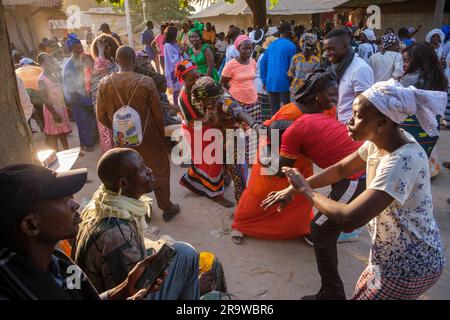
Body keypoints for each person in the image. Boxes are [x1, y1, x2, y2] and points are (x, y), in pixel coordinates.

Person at [269, 79, 446, 300]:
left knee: (323, 231)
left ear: (382, 121)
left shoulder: (400, 161)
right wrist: (293, 190)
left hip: (408, 266)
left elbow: (350, 219)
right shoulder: (379, 141)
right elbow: (341, 168)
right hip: (391, 258)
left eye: (358, 116)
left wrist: (305, 190)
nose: (349, 122)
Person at [261, 71, 365, 299]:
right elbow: (333, 170)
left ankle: (332, 293)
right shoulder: (312, 118)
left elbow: (280, 171)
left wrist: (267, 154)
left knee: (321, 229)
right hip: (353, 170)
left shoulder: (290, 134)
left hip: (355, 177)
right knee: (324, 225)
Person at [0, 164, 165, 300]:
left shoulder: (59, 262)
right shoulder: (13, 291)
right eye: (64, 200)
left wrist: (126, 289)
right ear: (30, 225)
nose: (75, 205)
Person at [73, 148, 200, 299]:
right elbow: (132, 292)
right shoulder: (117, 235)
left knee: (175, 251)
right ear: (124, 183)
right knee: (186, 254)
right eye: (142, 169)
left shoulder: (104, 203)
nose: (150, 171)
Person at [233, 70, 338, 244]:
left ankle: (302, 228)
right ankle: (242, 224)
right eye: (331, 95)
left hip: (302, 162)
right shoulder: (290, 114)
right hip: (274, 157)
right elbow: (272, 142)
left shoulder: (328, 110)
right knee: (260, 194)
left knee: (300, 199)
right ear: (316, 95)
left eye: (336, 94)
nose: (335, 99)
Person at [96, 45, 180, 221]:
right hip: (149, 139)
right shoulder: (146, 82)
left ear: (116, 61)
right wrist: (160, 137)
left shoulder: (105, 83)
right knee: (159, 171)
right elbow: (158, 115)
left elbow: (101, 117)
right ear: (134, 61)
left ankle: (141, 211)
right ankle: (166, 207)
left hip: (123, 141)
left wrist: (120, 130)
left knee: (129, 174)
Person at [190, 76, 258, 203]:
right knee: (223, 162)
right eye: (205, 101)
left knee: (237, 173)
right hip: (218, 133)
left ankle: (242, 206)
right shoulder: (197, 94)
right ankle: (226, 181)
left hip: (233, 135)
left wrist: (255, 126)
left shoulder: (225, 102)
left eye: (211, 100)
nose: (208, 103)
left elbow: (240, 114)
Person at [176, 60, 232, 207]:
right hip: (196, 130)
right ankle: (215, 194)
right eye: (191, 79)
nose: (195, 81)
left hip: (206, 127)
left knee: (207, 160)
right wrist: (217, 124)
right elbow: (195, 123)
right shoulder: (184, 98)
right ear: (182, 80)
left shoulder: (200, 86)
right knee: (212, 159)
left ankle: (194, 182)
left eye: (196, 76)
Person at [399, 42, 448, 157]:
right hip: (431, 128)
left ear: (418, 62)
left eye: (407, 61)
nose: (404, 65)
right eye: (403, 61)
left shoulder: (408, 79)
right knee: (422, 157)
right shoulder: (440, 78)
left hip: (411, 128)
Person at [324, 28, 373, 124]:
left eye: (331, 49)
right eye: (326, 49)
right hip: (337, 125)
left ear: (345, 46)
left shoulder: (360, 69)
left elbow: (362, 110)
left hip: (349, 130)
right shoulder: (337, 67)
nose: (327, 54)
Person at [62, 33, 97, 152]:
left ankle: (92, 141)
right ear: (72, 49)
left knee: (91, 120)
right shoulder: (69, 65)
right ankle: (86, 144)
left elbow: (89, 76)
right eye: (78, 46)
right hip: (76, 99)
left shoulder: (83, 59)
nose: (81, 47)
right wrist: (82, 100)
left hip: (86, 97)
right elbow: (70, 86)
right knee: (83, 122)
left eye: (80, 45)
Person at [90, 34, 120, 154]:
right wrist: (101, 53)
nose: (105, 50)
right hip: (104, 105)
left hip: (117, 103)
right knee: (107, 133)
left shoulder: (114, 61)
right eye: (101, 48)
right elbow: (99, 69)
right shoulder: (99, 63)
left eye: (107, 47)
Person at [221, 34, 261, 123]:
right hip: (238, 104)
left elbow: (250, 80)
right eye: (245, 48)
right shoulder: (231, 65)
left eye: (250, 48)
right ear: (238, 48)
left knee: (255, 131)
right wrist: (231, 102)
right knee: (240, 132)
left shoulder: (253, 62)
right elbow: (222, 85)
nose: (248, 51)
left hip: (254, 102)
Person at [37, 53, 72, 151]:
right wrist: (54, 114)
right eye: (48, 61)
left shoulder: (53, 75)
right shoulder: (41, 79)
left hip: (60, 107)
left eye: (51, 60)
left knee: (62, 132)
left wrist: (66, 106)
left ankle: (67, 151)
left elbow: (59, 91)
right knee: (54, 134)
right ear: (41, 64)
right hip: (51, 111)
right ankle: (56, 154)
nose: (51, 63)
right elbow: (44, 99)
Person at [260, 22, 297, 114]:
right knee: (287, 110)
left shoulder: (272, 45)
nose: (293, 32)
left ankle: (274, 128)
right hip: (285, 81)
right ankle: (285, 128)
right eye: (291, 30)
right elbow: (292, 67)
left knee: (274, 111)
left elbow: (263, 63)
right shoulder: (291, 46)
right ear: (286, 31)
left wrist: (264, 81)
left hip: (271, 81)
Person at [287, 32, 321, 98]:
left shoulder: (296, 57)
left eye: (309, 47)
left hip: (302, 91)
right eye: (306, 46)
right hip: (303, 91)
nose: (307, 49)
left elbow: (290, 74)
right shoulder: (316, 60)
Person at [255, 36, 276, 121]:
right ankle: (267, 131)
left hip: (260, 85)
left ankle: (266, 131)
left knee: (264, 110)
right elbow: (265, 72)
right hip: (264, 85)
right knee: (266, 111)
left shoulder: (263, 55)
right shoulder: (267, 56)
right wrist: (265, 83)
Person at [164, 26, 183, 107]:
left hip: (177, 69)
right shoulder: (168, 45)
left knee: (179, 89)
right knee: (176, 90)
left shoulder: (174, 43)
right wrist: (181, 52)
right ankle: (176, 106)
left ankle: (179, 104)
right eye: (175, 34)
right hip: (172, 70)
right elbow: (173, 60)